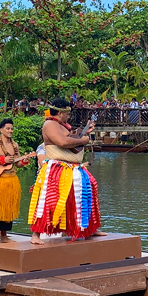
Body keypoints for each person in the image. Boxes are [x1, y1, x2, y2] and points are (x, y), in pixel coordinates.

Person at [28, 98, 102, 244]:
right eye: (67, 113)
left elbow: (70, 139)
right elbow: (62, 142)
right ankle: (36, 235)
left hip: (74, 168)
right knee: (50, 200)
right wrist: (83, 141)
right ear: (61, 112)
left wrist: (83, 134)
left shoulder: (64, 126)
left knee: (86, 194)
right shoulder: (50, 124)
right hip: (58, 168)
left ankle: (88, 229)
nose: (69, 116)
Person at [0, 119, 34, 244]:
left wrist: (25, 160)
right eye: (8, 128)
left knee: (8, 208)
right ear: (1, 130)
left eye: (11, 129)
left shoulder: (15, 145)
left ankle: (4, 236)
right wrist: (1, 160)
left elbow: (18, 164)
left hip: (11, 179)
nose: (10, 131)